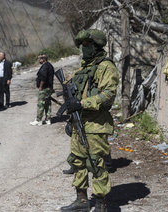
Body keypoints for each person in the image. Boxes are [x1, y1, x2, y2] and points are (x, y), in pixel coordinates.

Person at [60, 29, 119, 212]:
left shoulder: (105, 67)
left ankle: (101, 205)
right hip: (79, 124)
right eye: (82, 46)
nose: (83, 49)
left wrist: (82, 103)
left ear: (96, 46)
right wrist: (70, 109)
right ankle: (82, 200)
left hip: (96, 125)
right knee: (77, 161)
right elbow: (74, 94)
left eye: (86, 45)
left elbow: (108, 95)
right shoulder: (83, 68)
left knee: (96, 163)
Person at [30, 54, 54, 126]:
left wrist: (40, 87)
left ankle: (38, 120)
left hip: (44, 88)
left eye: (40, 59)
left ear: (43, 59)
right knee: (47, 103)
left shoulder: (45, 66)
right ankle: (48, 119)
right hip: (49, 88)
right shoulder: (50, 65)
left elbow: (43, 77)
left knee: (41, 104)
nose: (39, 60)